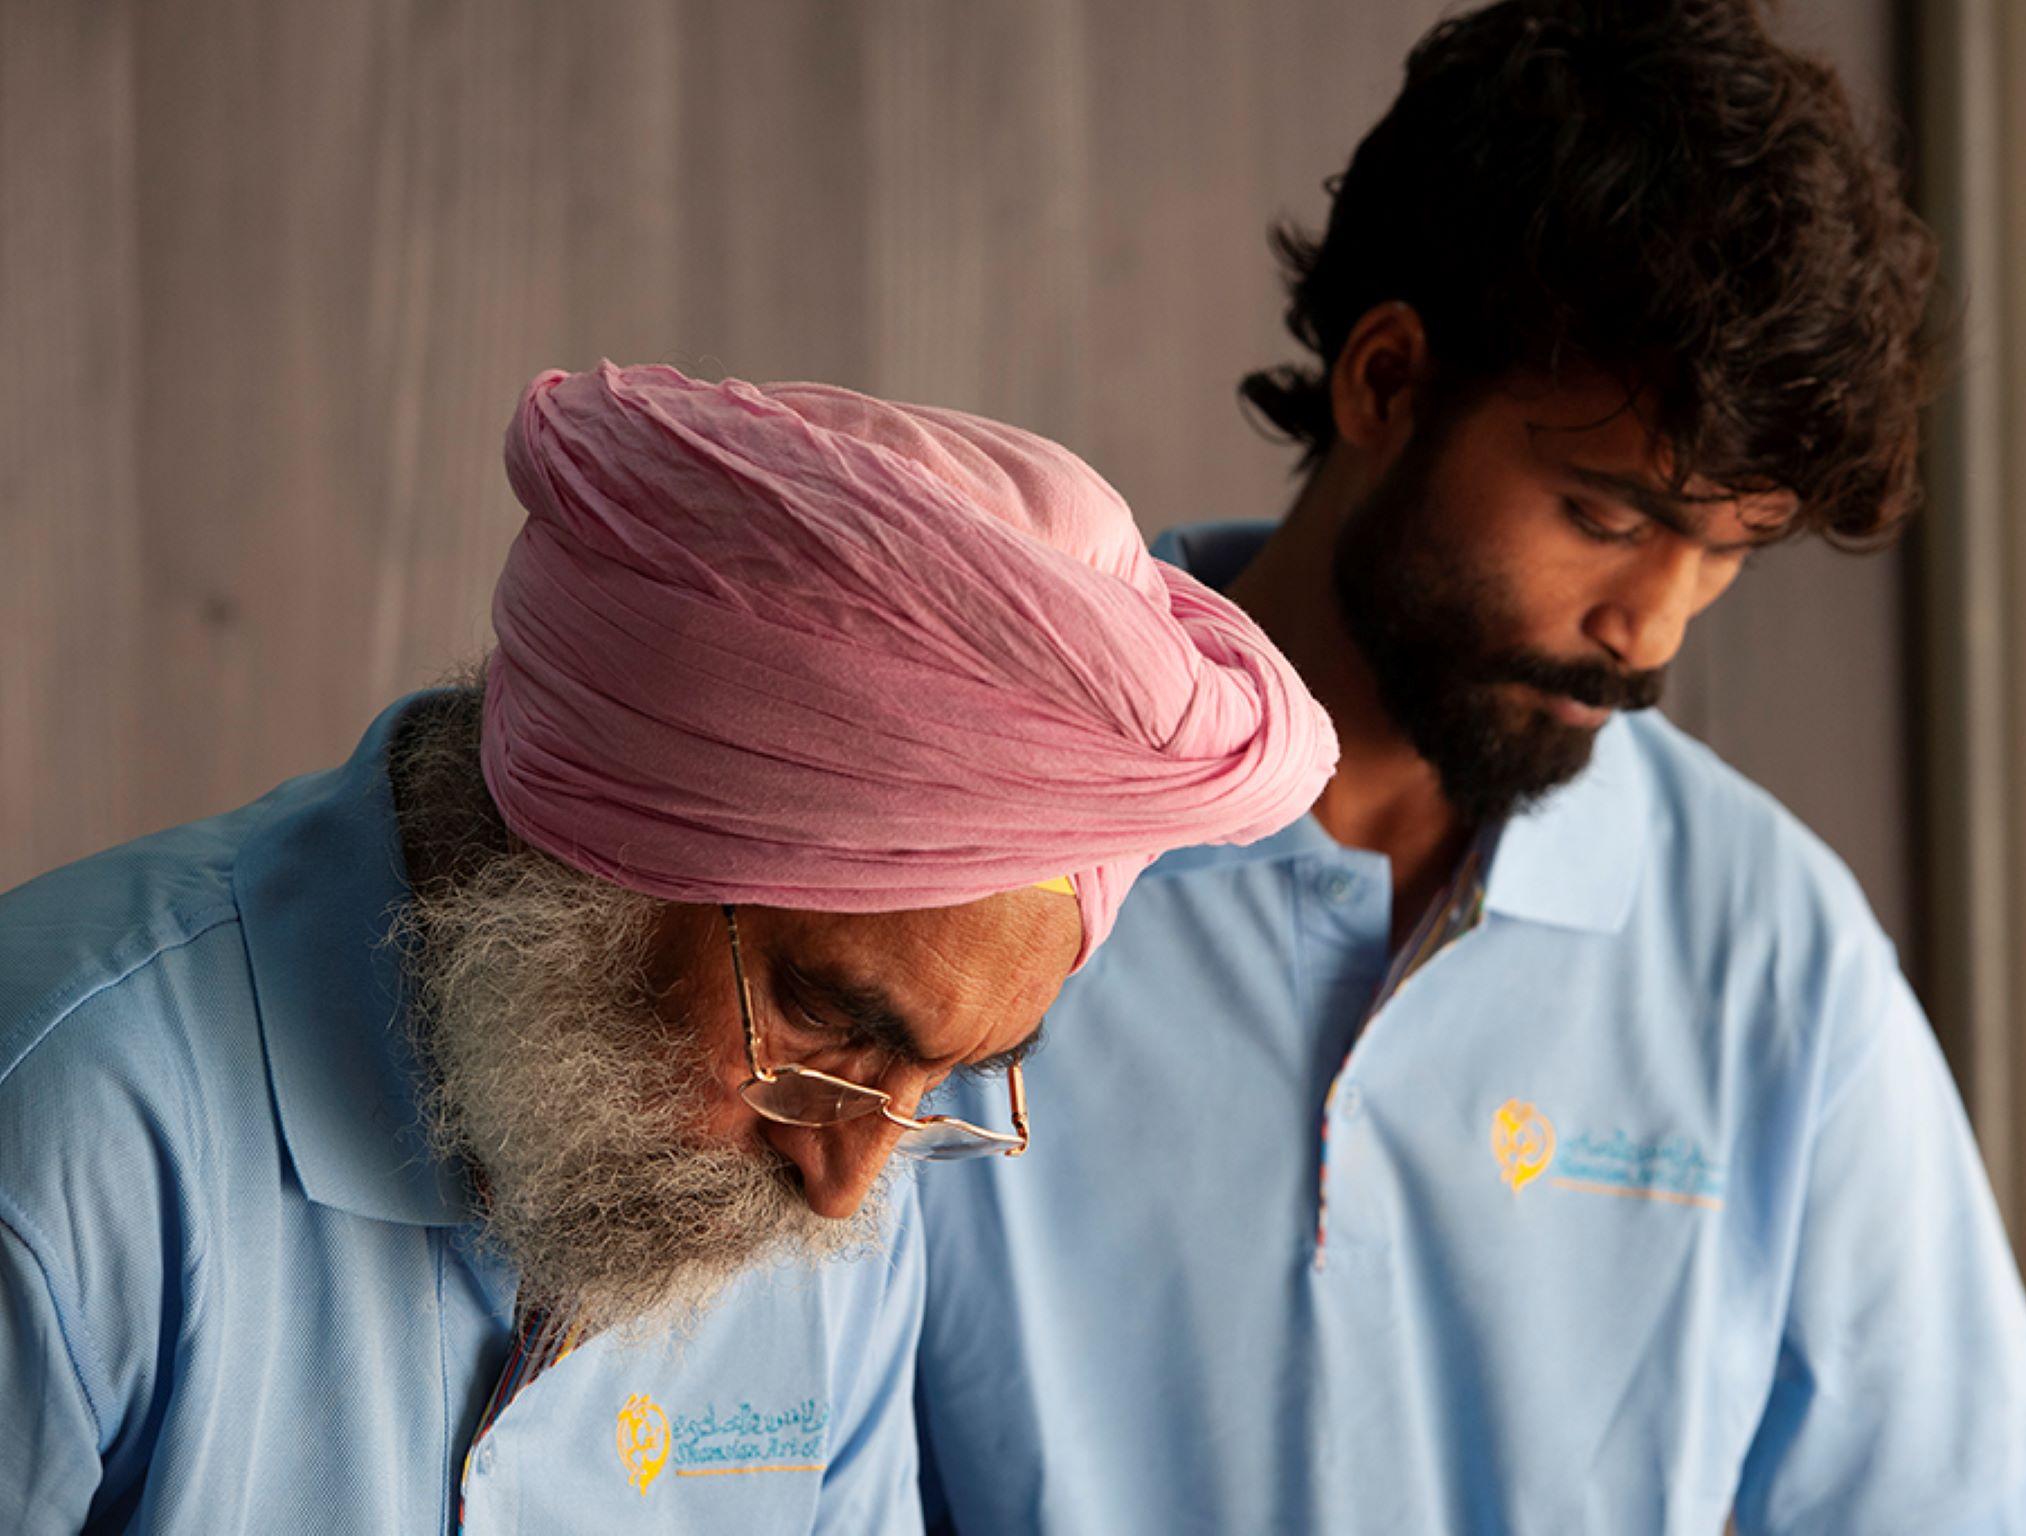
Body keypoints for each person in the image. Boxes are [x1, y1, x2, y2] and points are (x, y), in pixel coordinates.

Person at [914, 3, 2026, 1532]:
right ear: (1388, 383)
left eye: (1727, 552)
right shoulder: (965, 846)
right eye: (1607, 518)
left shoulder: (1769, 953)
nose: (1652, 627)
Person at [0, 362, 1335, 1534]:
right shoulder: (74, 1115)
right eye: (827, 1017)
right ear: (594, 854)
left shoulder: (842, 1204)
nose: (847, 1181)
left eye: (952, 1081)